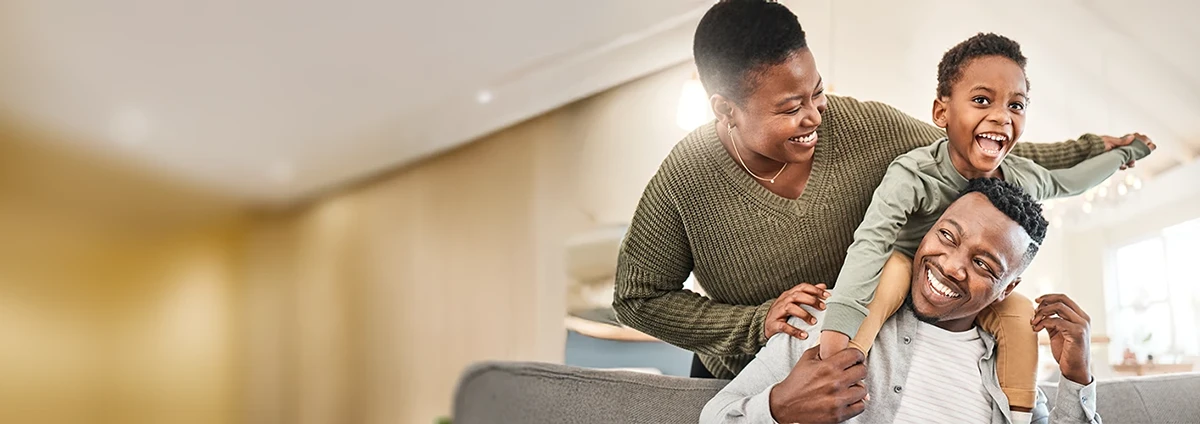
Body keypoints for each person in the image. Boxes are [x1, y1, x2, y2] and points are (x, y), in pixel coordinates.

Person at [612, 0, 1145, 380]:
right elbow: (636, 298)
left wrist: (1092, 150)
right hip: (742, 376)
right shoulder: (684, 180)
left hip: (858, 361)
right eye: (790, 108)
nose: (814, 116)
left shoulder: (866, 128)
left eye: (816, 92)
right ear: (726, 110)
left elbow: (977, 148)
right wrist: (753, 323)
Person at [816, 32, 1152, 418]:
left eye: (1017, 105)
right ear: (942, 113)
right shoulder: (913, 174)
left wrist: (1126, 153)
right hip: (910, 272)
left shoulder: (1020, 177)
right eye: (981, 100)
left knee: (1020, 313)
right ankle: (839, 368)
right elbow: (871, 242)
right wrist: (837, 326)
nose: (1001, 115)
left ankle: (1020, 413)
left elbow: (1070, 181)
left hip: (964, 296)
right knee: (892, 268)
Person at [701, 178, 1101, 424]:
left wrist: (1077, 376)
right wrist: (778, 408)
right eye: (947, 236)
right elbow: (713, 418)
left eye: (982, 264)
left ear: (1007, 290)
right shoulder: (834, 323)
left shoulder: (1009, 371)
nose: (952, 266)